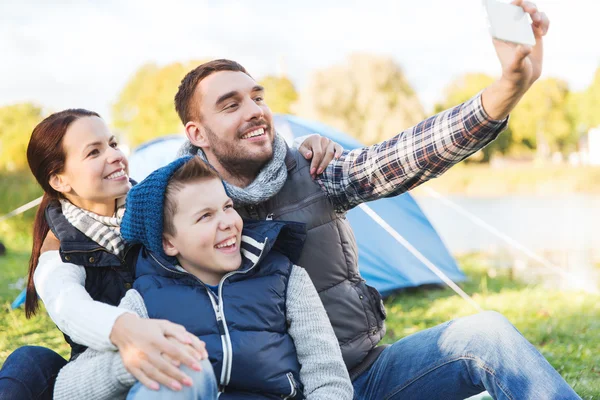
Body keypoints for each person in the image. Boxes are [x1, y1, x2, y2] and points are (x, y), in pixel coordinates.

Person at [171, 3, 579, 398]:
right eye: (231, 105)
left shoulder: (314, 169)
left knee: (487, 335)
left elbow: (406, 156)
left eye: (258, 98)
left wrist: (508, 87)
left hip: (365, 376)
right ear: (197, 133)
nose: (255, 111)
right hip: (275, 392)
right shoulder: (174, 208)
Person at [0, 110, 340, 400]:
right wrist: (127, 333)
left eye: (113, 144)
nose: (115, 156)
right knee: (29, 361)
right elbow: (71, 309)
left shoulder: (154, 207)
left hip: (181, 361)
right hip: (110, 371)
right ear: (59, 180)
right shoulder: (59, 250)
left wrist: (298, 151)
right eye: (94, 153)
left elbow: (213, 180)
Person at [53, 155, 352, 399]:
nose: (228, 223)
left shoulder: (285, 278)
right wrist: (131, 363)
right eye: (205, 216)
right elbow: (66, 389)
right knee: (179, 374)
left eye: (227, 207)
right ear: (169, 242)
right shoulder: (144, 300)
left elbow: (327, 376)